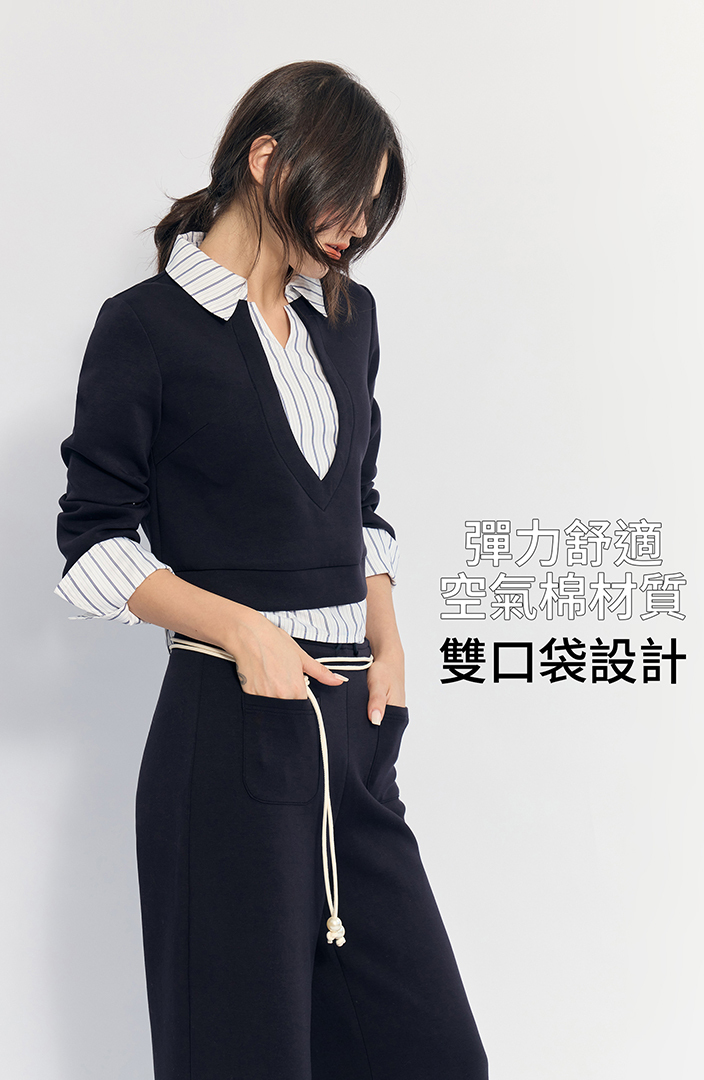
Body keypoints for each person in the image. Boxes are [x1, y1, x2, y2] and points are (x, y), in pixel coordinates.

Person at [55, 60, 489, 1080]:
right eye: (348, 199)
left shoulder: (348, 318)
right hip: (227, 736)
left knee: (433, 1056)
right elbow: (93, 546)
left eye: (374, 210)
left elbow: (358, 507)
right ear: (266, 158)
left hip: (355, 737)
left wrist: (388, 643)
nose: (357, 229)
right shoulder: (145, 329)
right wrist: (244, 629)